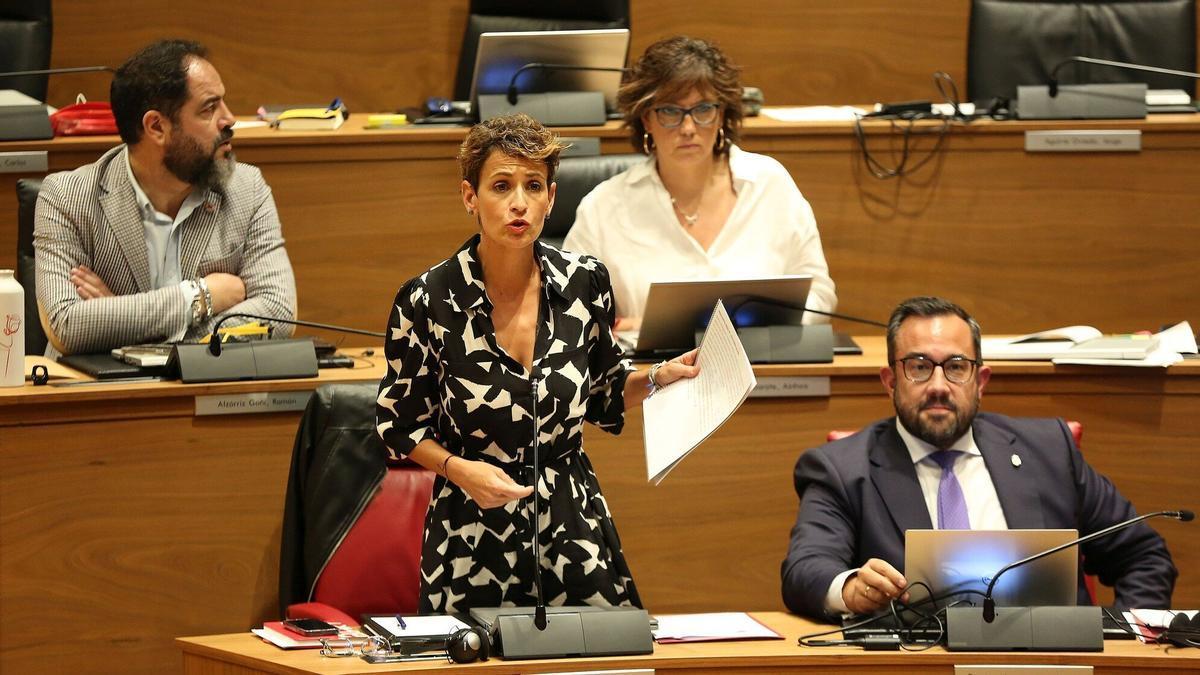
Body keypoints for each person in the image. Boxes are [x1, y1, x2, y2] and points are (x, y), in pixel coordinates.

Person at [376, 113, 699, 614]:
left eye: (534, 186)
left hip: (572, 517)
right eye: (501, 186)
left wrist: (658, 378)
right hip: (471, 522)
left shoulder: (585, 282)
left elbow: (604, 392)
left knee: (606, 661)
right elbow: (399, 426)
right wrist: (462, 472)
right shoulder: (427, 300)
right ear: (470, 197)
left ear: (551, 196)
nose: (519, 203)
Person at [781, 296, 1176, 621]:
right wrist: (850, 589)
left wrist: (1124, 641)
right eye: (919, 367)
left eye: (955, 367)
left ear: (980, 381)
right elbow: (805, 570)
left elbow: (1143, 555)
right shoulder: (842, 469)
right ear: (890, 381)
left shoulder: (1050, 452)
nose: (938, 386)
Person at [34, 39, 296, 356]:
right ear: (157, 126)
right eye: (209, 109)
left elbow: (278, 312)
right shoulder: (67, 197)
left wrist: (124, 324)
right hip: (99, 398)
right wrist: (202, 296)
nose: (229, 120)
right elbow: (67, 326)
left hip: (205, 393)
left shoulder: (246, 189)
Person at [563, 36, 836, 329]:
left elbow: (820, 296)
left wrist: (658, 326)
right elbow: (571, 314)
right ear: (646, 118)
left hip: (762, 368)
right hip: (651, 373)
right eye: (670, 111)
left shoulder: (771, 184)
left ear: (721, 115)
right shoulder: (603, 206)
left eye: (703, 109)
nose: (689, 128)